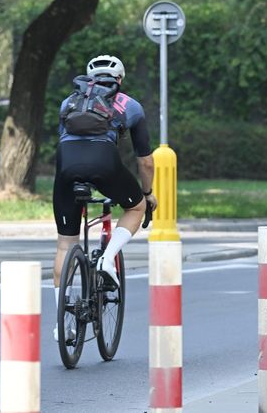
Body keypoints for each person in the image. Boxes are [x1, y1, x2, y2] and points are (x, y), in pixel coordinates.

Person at [52, 55, 157, 340]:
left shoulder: (68, 102)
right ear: (119, 80)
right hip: (104, 161)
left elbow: (66, 139)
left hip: (66, 165)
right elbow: (145, 161)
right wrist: (147, 195)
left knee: (65, 243)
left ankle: (63, 321)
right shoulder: (130, 105)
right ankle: (108, 259)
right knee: (135, 207)